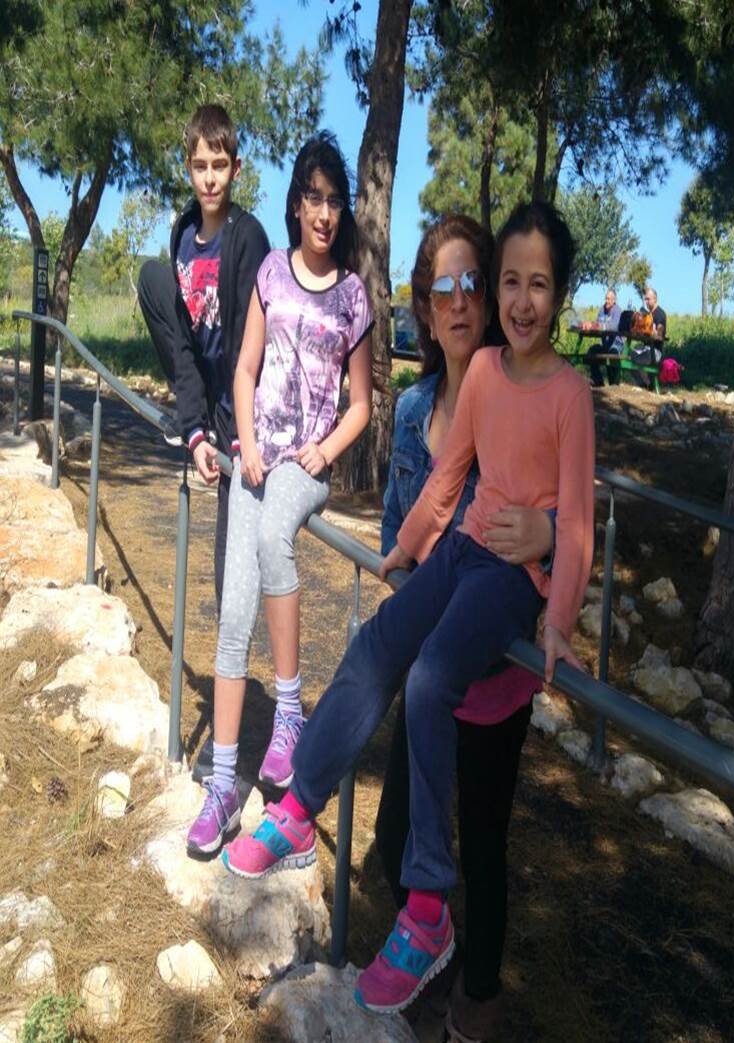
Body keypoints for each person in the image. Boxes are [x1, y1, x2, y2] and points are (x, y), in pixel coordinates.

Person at [222, 200, 595, 1017]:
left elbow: (575, 522)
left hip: (508, 577)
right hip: (461, 551)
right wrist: (401, 549)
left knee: (429, 684)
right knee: (377, 639)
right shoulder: (482, 377)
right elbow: (447, 478)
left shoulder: (570, 393)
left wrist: (558, 616)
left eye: (535, 284)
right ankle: (299, 802)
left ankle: (430, 914)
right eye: (507, 282)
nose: (517, 299)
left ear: (559, 294)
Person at [376, 214, 554, 1042]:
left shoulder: (523, 400)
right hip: (429, 670)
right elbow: (396, 529)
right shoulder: (414, 407)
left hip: (493, 677)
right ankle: (430, 953)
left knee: (483, 843)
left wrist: (550, 536)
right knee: (395, 833)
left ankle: (477, 1000)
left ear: (488, 298)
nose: (457, 301)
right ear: (423, 304)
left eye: (471, 283)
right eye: (439, 287)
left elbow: (560, 518)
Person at [185, 131, 373, 856]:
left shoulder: (352, 295)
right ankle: (223, 784)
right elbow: (244, 368)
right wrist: (246, 443)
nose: (323, 213)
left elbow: (362, 404)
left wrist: (323, 450)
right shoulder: (270, 271)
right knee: (232, 618)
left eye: (335, 201)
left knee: (272, 539)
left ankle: (290, 711)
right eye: (313, 199)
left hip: (304, 464)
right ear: (296, 205)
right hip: (254, 457)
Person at [137, 104, 270, 614]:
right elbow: (186, 342)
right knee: (152, 278)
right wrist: (194, 429)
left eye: (219, 165)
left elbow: (249, 347)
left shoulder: (247, 237)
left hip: (242, 402)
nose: (210, 179)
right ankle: (194, 420)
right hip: (206, 394)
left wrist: (237, 434)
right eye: (200, 166)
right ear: (188, 168)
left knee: (230, 562)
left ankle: (229, 649)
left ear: (236, 168)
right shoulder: (183, 234)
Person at [585, 287, 623, 387]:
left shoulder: (618, 311)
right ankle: (598, 382)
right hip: (605, 344)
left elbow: (615, 326)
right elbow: (597, 323)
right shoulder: (602, 310)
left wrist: (602, 326)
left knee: (612, 353)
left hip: (616, 344)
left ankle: (614, 384)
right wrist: (591, 325)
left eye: (609, 299)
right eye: (606, 298)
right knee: (591, 352)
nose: (606, 301)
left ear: (614, 300)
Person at [630, 287, 667, 387]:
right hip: (646, 348)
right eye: (645, 299)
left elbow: (659, 335)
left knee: (633, 358)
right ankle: (643, 384)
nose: (646, 302)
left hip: (655, 352)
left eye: (648, 299)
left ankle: (647, 383)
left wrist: (651, 332)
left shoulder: (660, 314)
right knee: (629, 355)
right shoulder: (647, 315)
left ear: (655, 299)